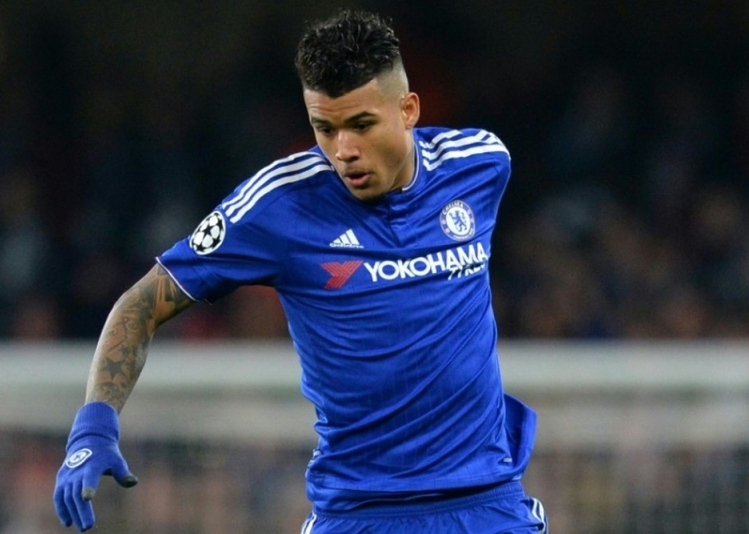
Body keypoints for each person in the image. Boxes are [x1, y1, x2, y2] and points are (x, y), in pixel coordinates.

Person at [53, 9, 548, 533]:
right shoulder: (279, 206)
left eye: (361, 125)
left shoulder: (479, 165)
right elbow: (139, 305)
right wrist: (92, 428)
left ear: (408, 109)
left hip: (488, 505)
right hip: (359, 515)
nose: (344, 151)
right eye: (324, 128)